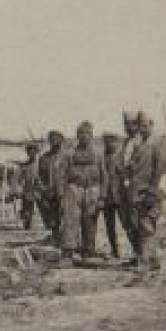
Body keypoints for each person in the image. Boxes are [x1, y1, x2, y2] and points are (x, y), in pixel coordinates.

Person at [127, 111, 166, 273]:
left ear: (152, 125)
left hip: (149, 192)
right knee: (142, 226)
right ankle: (152, 260)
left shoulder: (158, 143)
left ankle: (146, 261)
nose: (142, 129)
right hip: (138, 192)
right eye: (140, 126)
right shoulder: (140, 144)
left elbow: (160, 170)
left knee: (147, 226)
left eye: (145, 125)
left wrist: (153, 193)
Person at [60, 121, 105, 261]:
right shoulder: (69, 153)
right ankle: (68, 251)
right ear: (77, 135)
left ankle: (88, 250)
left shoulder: (98, 153)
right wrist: (61, 194)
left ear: (91, 135)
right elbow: (62, 174)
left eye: (87, 133)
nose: (84, 136)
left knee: (90, 220)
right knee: (70, 220)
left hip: (92, 189)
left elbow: (104, 175)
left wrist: (102, 196)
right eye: (81, 133)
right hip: (74, 189)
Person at [113, 112, 142, 257]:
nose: (128, 127)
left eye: (132, 124)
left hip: (136, 185)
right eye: (126, 125)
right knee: (127, 221)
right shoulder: (125, 142)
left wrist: (129, 168)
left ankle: (143, 255)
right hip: (124, 185)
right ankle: (136, 254)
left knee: (137, 221)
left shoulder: (142, 141)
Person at [37, 130, 67, 239]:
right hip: (48, 192)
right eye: (51, 139)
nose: (53, 141)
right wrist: (42, 189)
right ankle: (55, 237)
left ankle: (66, 240)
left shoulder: (67, 157)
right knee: (52, 217)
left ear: (61, 140)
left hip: (64, 191)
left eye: (56, 138)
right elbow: (39, 176)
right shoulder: (43, 158)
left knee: (65, 216)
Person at [100, 131, 125, 260]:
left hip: (120, 197)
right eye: (106, 141)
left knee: (127, 224)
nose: (109, 144)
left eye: (111, 141)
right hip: (107, 198)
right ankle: (115, 250)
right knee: (109, 226)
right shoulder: (102, 157)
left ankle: (138, 251)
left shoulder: (121, 156)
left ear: (116, 142)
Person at [18, 141, 42, 229]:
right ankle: (27, 225)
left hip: (40, 189)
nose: (32, 154)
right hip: (28, 189)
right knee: (27, 209)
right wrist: (18, 189)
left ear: (37, 152)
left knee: (44, 207)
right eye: (29, 152)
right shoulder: (24, 165)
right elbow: (19, 179)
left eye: (34, 151)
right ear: (27, 153)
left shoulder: (41, 164)